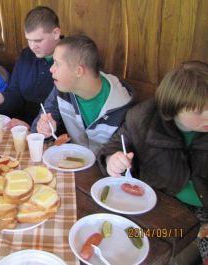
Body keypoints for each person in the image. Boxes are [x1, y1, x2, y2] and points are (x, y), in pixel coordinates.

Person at [97, 61, 208, 263]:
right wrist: (113, 160)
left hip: (203, 216)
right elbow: (114, 146)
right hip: (158, 209)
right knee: (122, 243)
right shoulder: (142, 119)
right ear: (174, 109)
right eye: (199, 111)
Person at [31, 35, 133, 154]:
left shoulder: (121, 106)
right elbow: (37, 129)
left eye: (57, 64)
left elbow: (122, 154)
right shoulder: (62, 89)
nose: (51, 69)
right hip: (73, 162)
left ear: (78, 71)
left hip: (103, 170)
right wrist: (44, 128)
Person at [0, 6, 61, 129]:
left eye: (38, 40)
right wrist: (3, 99)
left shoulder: (69, 59)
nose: (32, 46)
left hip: (51, 132)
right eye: (29, 40)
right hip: (18, 125)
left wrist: (32, 128)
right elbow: (15, 92)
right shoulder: (26, 55)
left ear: (55, 33)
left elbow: (69, 115)